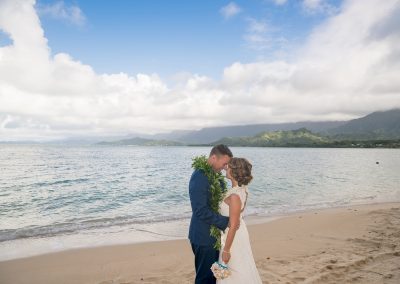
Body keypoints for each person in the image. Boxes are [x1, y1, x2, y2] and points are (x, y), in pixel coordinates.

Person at [188, 144, 233, 284]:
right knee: (205, 278)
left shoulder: (215, 176)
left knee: (215, 275)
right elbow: (200, 210)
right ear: (214, 157)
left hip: (214, 236)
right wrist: (226, 222)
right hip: (203, 236)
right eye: (224, 163)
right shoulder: (200, 176)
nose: (225, 167)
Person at [218, 157, 262, 283]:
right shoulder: (242, 190)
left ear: (235, 171)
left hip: (233, 237)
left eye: (229, 166)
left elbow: (233, 225)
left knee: (234, 269)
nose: (226, 167)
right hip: (236, 233)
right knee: (235, 268)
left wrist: (226, 250)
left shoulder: (234, 196)